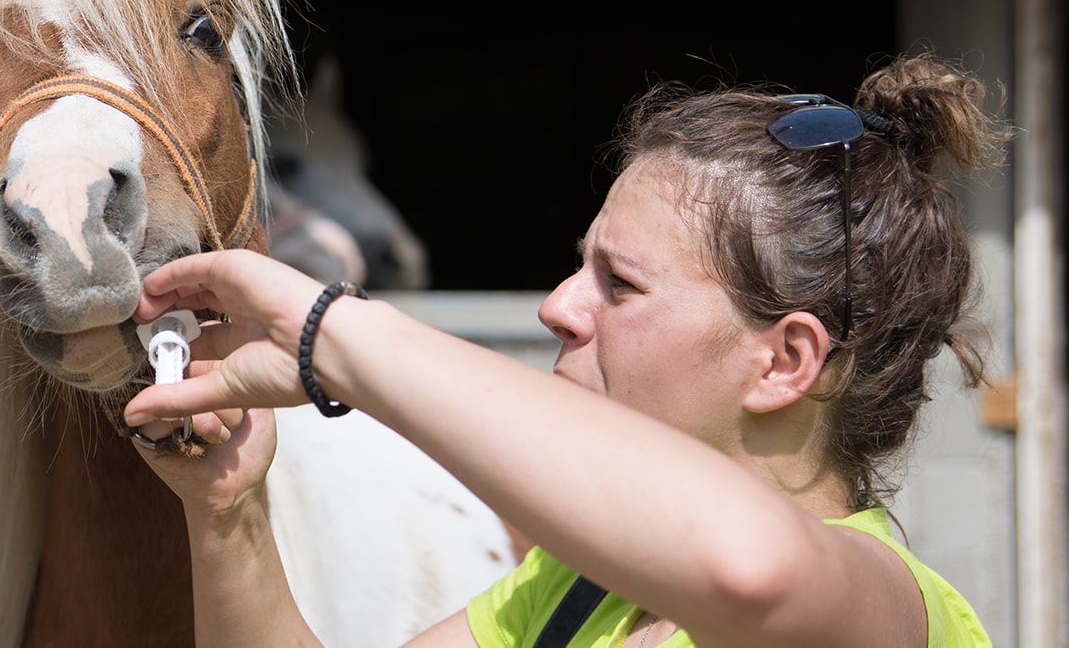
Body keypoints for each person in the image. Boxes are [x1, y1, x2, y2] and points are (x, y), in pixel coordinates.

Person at [123, 52, 1003, 647]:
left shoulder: (887, 606)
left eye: (619, 284)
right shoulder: (585, 587)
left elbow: (750, 570)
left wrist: (331, 334)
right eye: (579, 267)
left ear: (784, 362)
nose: (557, 307)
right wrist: (227, 510)